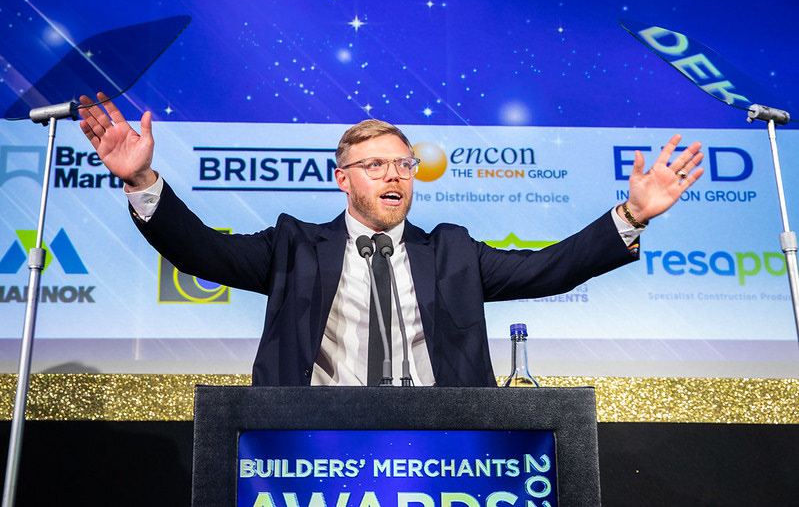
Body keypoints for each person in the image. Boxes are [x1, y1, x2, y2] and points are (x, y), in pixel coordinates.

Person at [78, 92, 704, 387]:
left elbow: (551, 269)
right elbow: (200, 250)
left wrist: (631, 214)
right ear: (343, 179)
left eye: (403, 165)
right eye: (375, 166)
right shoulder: (294, 246)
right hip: (313, 443)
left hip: (441, 445)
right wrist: (141, 180)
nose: (394, 176)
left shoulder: (451, 251)